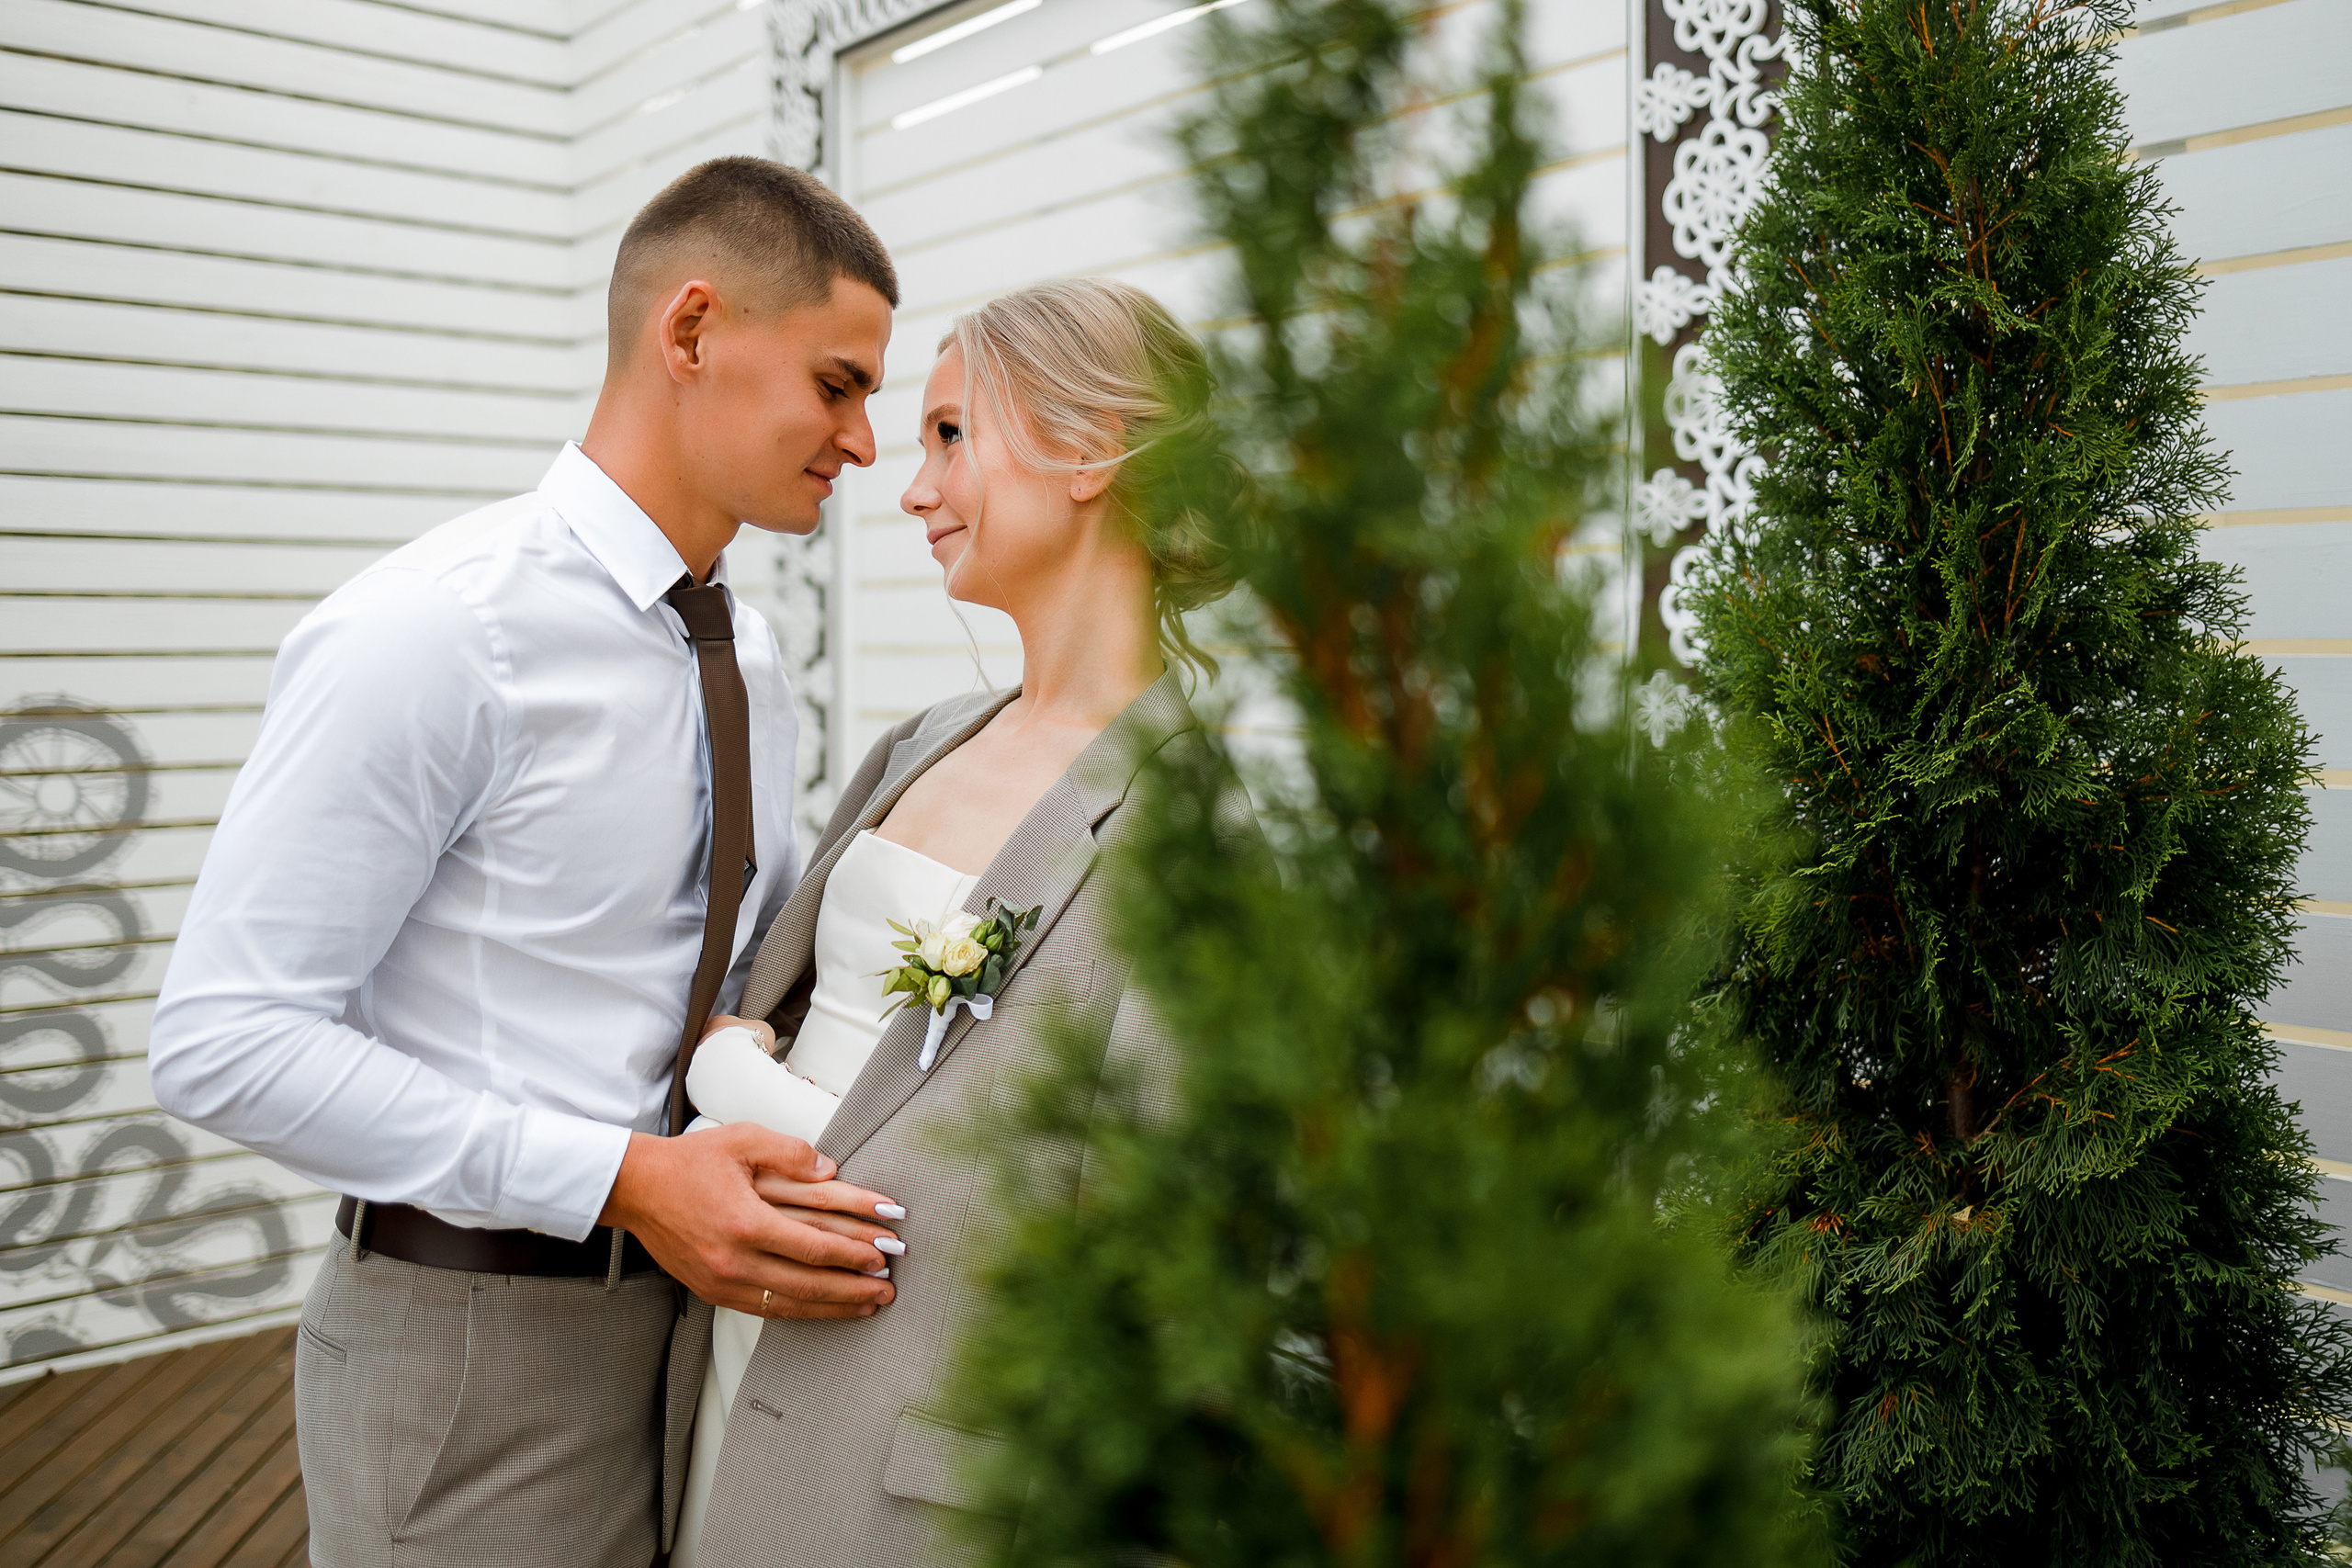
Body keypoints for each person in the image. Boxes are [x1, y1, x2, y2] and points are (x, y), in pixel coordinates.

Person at [150, 157, 907, 1568]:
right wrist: (622, 1179)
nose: (865, 443)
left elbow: (714, 978)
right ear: (692, 333)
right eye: (840, 383)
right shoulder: (432, 632)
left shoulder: (751, 650)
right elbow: (221, 1041)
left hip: (699, 1333)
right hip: (470, 1358)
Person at [667, 276, 1250, 1568]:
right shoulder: (918, 742)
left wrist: (727, 1085)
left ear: (1090, 451)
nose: (912, 486)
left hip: (909, 1469)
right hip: (722, 1369)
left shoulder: (1190, 827)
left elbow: (1131, 1243)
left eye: (946, 436)